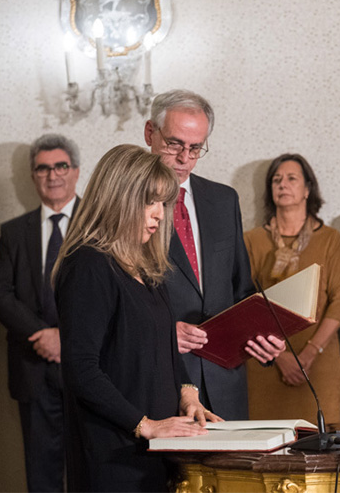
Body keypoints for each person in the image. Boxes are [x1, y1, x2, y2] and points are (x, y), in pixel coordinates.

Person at [54, 145, 220, 492]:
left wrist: (188, 396)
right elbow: (81, 369)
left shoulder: (147, 270)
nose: (160, 215)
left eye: (163, 203)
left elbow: (164, 348)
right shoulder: (88, 265)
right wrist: (145, 425)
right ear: (119, 198)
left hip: (155, 453)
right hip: (114, 455)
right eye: (150, 202)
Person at [143, 90, 284, 420]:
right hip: (162, 381)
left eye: (195, 148)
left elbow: (241, 290)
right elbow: (113, 304)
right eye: (175, 144)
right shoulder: (126, 202)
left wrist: (264, 336)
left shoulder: (223, 200)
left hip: (225, 381)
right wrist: (161, 334)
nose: (184, 158)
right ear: (150, 133)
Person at [0, 134, 81, 491]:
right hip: (34, 369)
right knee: (42, 477)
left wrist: (66, 338)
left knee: (91, 471)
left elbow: (112, 294)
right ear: (32, 176)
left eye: (60, 166)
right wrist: (43, 335)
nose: (52, 175)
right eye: (43, 168)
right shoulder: (13, 233)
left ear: (75, 171)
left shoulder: (100, 223)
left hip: (89, 369)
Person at [244, 153, 340, 423]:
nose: (283, 184)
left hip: (318, 364)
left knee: (320, 449)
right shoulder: (252, 240)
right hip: (265, 362)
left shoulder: (330, 239)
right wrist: (280, 357)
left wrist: (309, 354)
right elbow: (243, 304)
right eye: (276, 180)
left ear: (307, 189)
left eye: (292, 178)